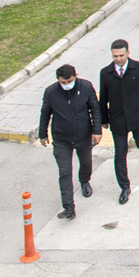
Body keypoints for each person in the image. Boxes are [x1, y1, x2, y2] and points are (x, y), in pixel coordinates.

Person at [98, 40, 139, 205]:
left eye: (121, 55)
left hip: (138, 117)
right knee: (120, 153)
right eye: (115, 56)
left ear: (128, 53)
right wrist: (103, 119)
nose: (118, 59)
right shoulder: (105, 73)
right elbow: (103, 98)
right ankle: (124, 187)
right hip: (117, 119)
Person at [37, 64, 101, 220]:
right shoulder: (51, 92)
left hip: (83, 136)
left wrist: (97, 131)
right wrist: (43, 134)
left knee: (85, 162)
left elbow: (95, 109)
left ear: (75, 76)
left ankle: (85, 181)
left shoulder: (86, 87)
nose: (66, 85)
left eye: (69, 81)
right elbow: (45, 113)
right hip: (61, 139)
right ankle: (68, 207)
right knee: (64, 173)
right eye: (63, 82)